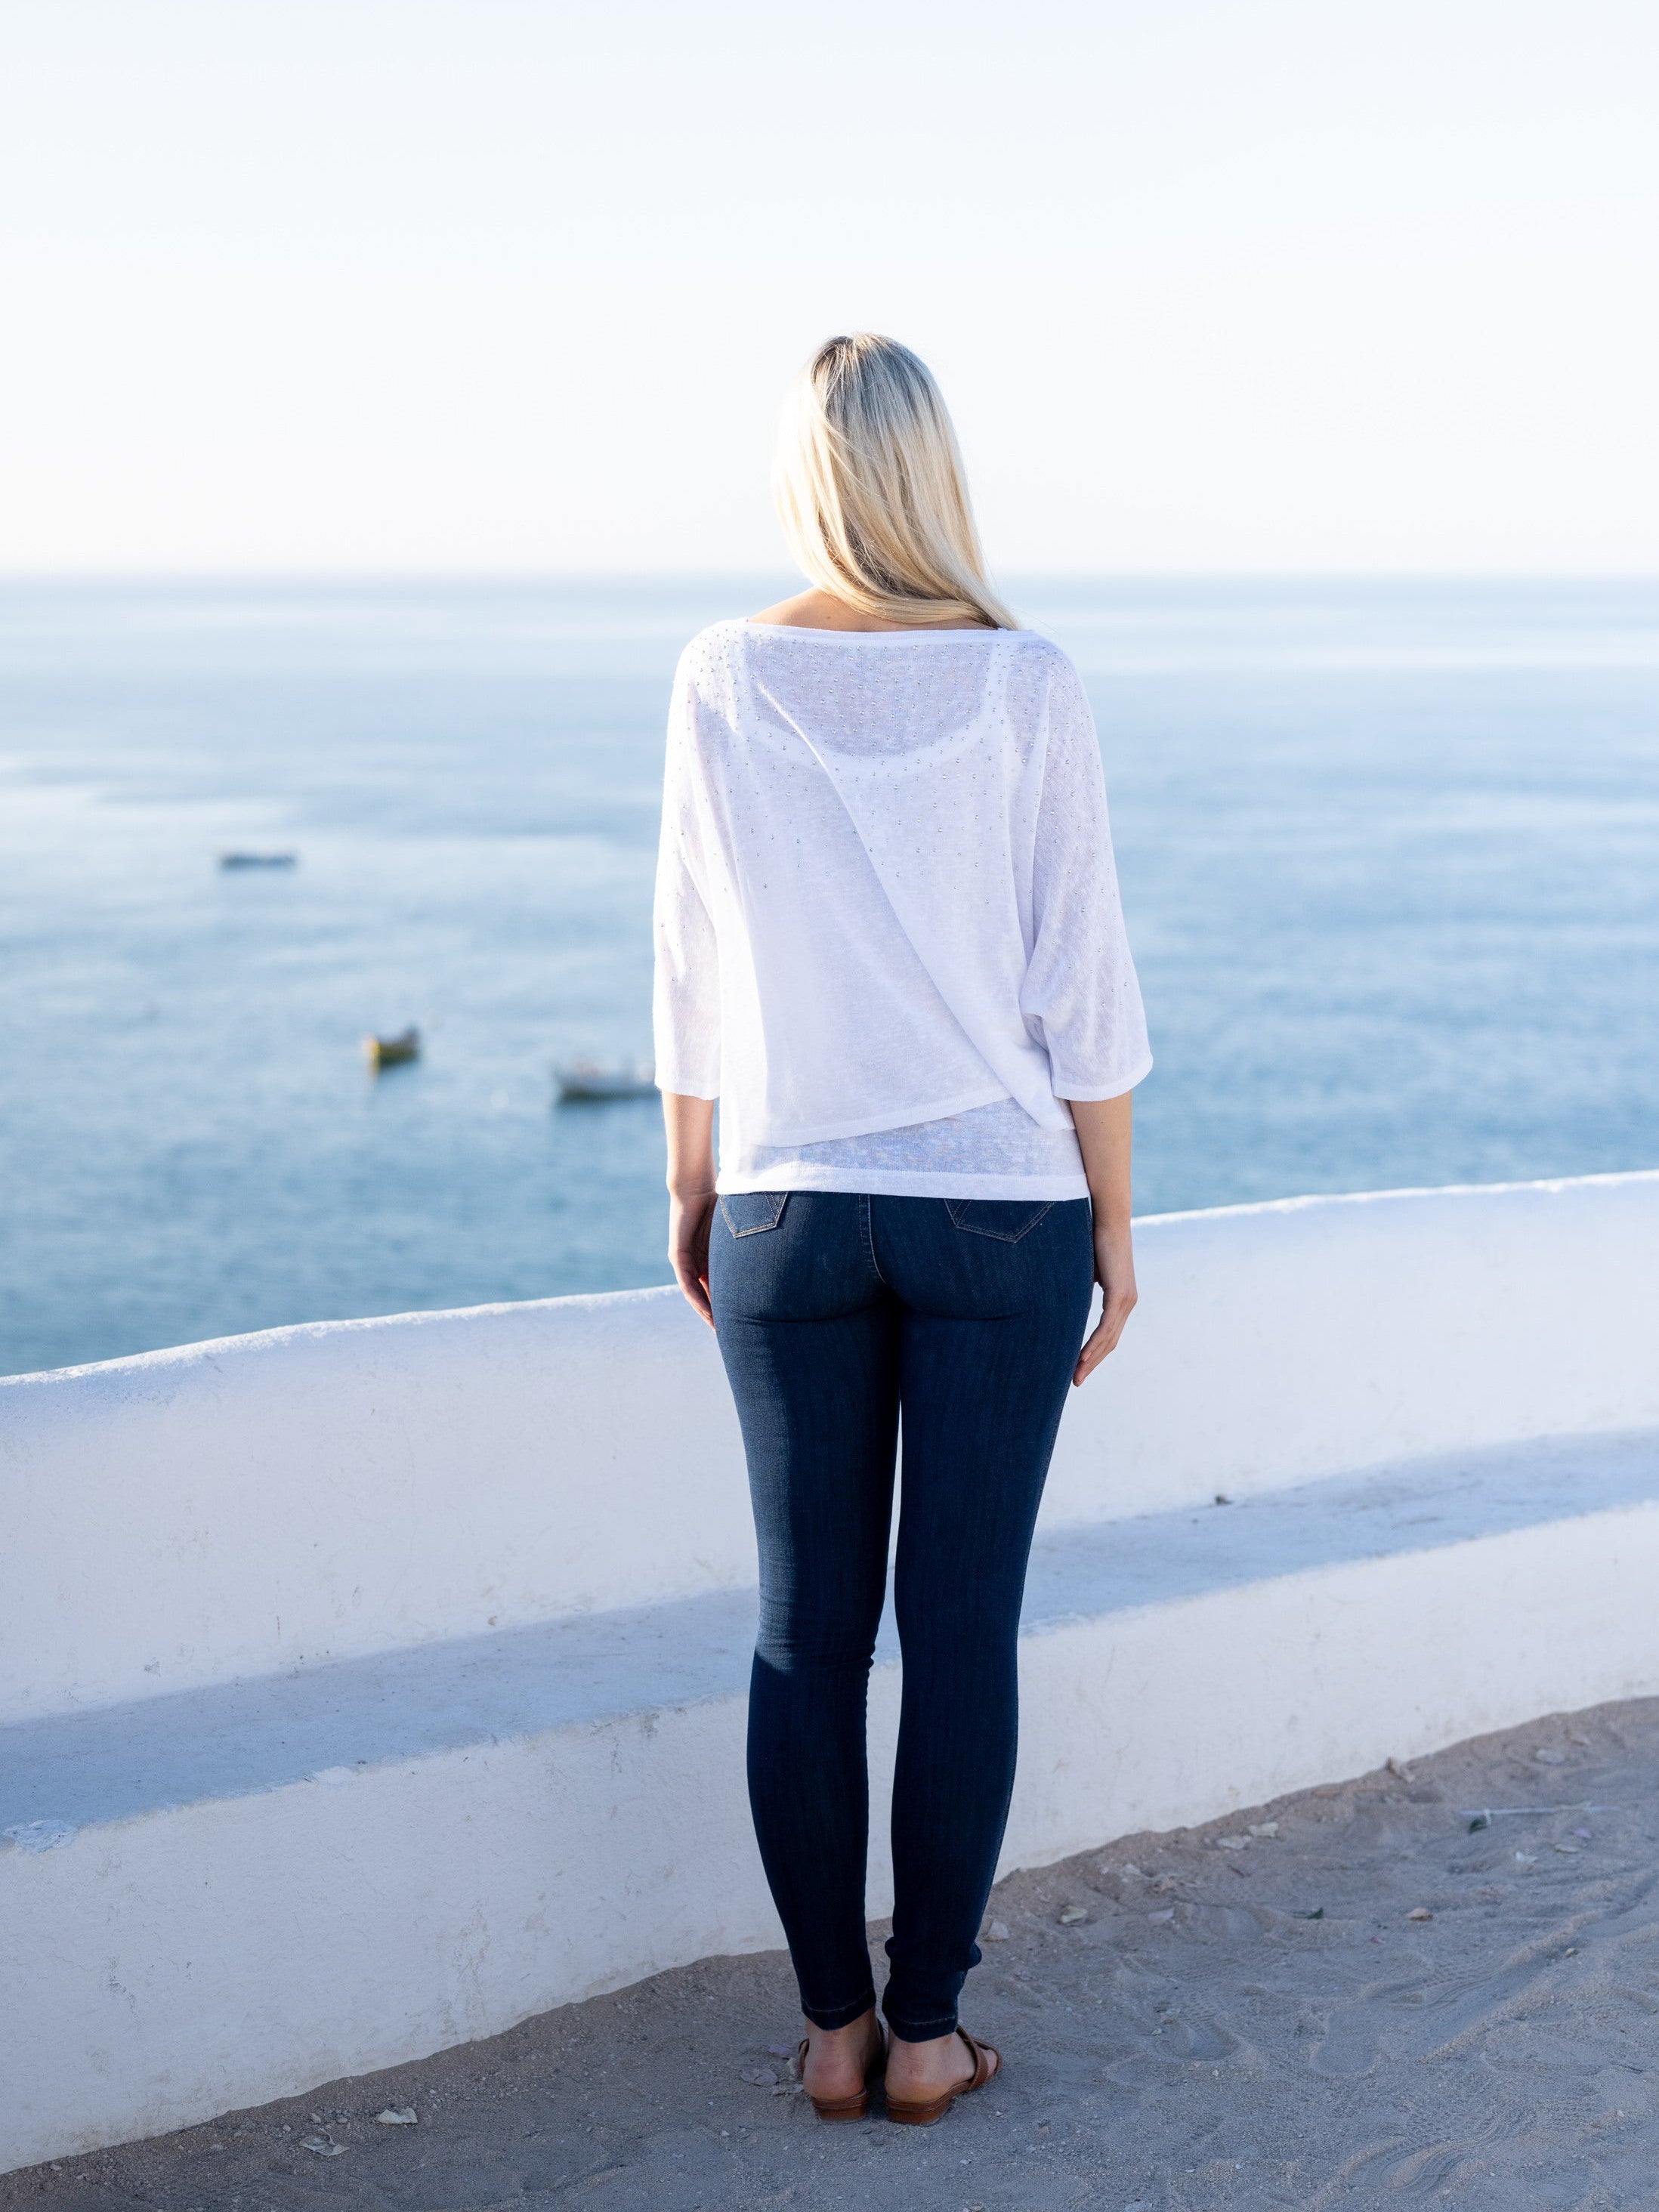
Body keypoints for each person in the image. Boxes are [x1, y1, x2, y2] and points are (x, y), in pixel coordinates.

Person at [652, 333, 1150, 2126]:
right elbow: (1078, 977)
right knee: (960, 1631)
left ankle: (827, 2034)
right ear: (931, 473)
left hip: (791, 1204)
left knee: (806, 1633)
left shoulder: (721, 675)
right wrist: (1114, 1223)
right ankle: (929, 2032)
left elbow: (691, 966)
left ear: (806, 474)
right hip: (1001, 1212)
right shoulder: (1028, 684)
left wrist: (695, 1185)